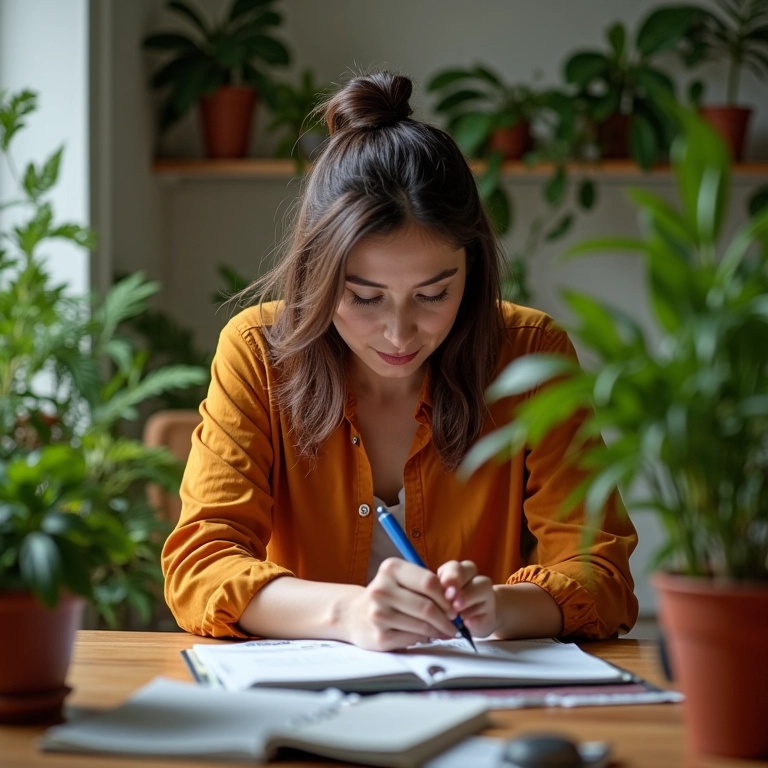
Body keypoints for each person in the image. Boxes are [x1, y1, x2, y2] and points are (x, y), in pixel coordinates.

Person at [162, 71, 638, 650]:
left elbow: (601, 571)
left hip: (481, 702)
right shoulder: (260, 353)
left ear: (474, 270)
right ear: (317, 273)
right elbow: (200, 564)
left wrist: (500, 608)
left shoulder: (529, 354)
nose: (398, 331)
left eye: (434, 294)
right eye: (363, 297)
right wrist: (348, 612)